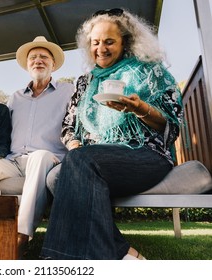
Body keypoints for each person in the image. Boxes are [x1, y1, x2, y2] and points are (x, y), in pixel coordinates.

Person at [40, 8, 183, 260]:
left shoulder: (148, 71)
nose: (101, 49)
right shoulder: (84, 82)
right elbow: (68, 124)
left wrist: (141, 109)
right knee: (55, 178)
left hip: (145, 155)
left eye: (109, 42)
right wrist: (73, 143)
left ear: (125, 42)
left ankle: (59, 261)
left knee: (82, 161)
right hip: (95, 159)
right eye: (95, 42)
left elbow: (172, 125)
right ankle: (123, 254)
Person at [0, 36, 74, 259]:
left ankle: (20, 237)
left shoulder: (68, 92)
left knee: (40, 156)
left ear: (53, 64)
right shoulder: (15, 98)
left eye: (44, 57)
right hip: (13, 160)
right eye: (33, 57)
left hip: (48, 159)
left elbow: (76, 124)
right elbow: (3, 133)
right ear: (27, 65)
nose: (38, 60)